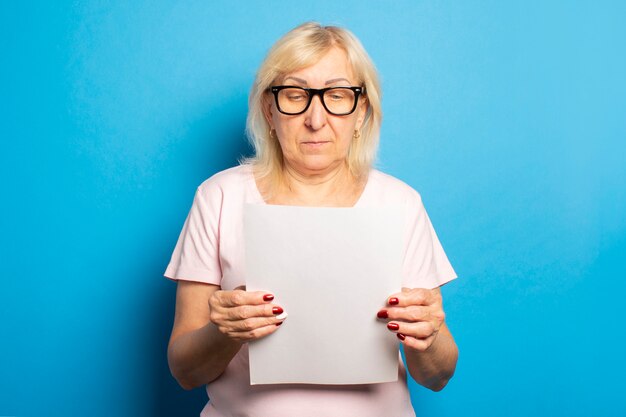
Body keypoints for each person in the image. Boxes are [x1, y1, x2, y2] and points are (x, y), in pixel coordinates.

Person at [164, 22, 458, 417]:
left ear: (362, 111)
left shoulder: (399, 203)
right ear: (269, 109)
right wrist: (225, 331)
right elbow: (185, 371)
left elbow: (437, 376)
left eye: (337, 95)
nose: (315, 119)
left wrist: (428, 333)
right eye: (295, 95)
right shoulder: (219, 197)